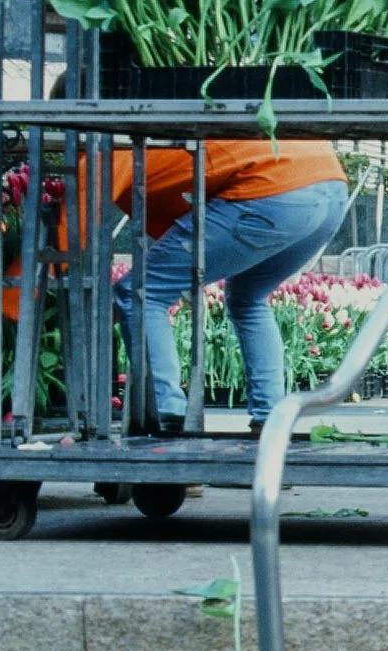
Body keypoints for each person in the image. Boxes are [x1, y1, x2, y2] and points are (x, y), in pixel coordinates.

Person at [113, 139, 353, 435]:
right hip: (330, 188)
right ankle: (270, 420)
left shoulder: (109, 142)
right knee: (248, 298)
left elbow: (80, 210)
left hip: (271, 190)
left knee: (141, 292)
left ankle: (165, 412)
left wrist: (48, 277)